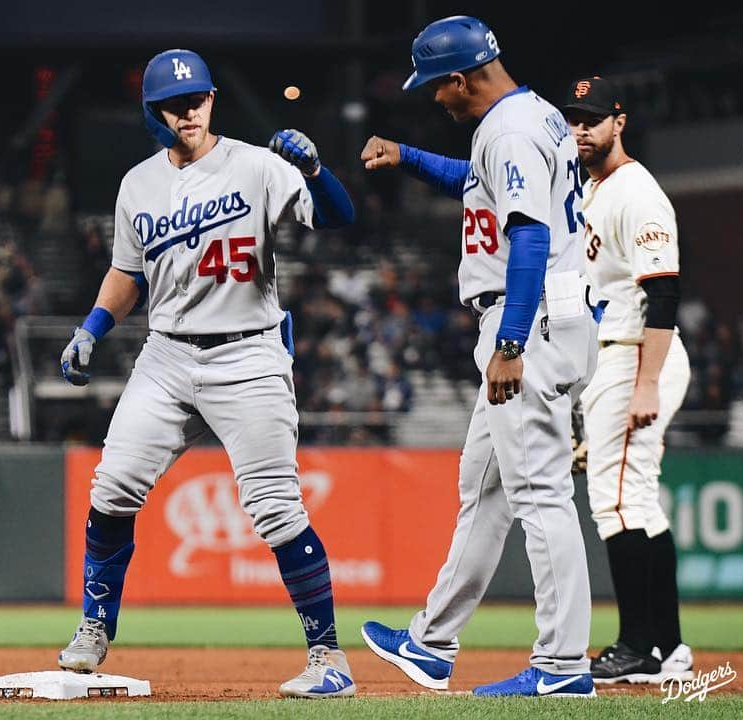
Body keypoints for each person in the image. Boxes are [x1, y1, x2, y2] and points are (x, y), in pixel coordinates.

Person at [56, 48, 357, 699]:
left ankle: (329, 659)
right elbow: (127, 273)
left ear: (212, 99)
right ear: (154, 113)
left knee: (276, 509)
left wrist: (314, 168)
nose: (187, 112)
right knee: (111, 489)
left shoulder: (256, 165)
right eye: (174, 104)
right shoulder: (137, 184)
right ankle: (93, 627)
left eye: (196, 100)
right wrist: (92, 328)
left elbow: (337, 219)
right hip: (166, 355)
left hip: (248, 355)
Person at [358, 16, 599, 697]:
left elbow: (525, 236)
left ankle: (562, 666)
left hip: (530, 319)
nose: (435, 98)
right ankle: (432, 642)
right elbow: (479, 183)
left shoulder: (512, 128)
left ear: (461, 78)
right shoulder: (534, 118)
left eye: (437, 86)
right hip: (554, 313)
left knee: (540, 494)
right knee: (485, 487)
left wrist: (510, 345)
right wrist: (408, 157)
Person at [561, 76, 694, 685]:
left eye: (593, 117)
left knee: (615, 502)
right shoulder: (592, 188)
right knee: (633, 498)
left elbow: (663, 294)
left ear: (620, 122)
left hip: (640, 351)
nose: (581, 128)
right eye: (574, 118)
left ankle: (639, 646)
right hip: (614, 354)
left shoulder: (637, 191)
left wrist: (646, 384)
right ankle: (666, 647)